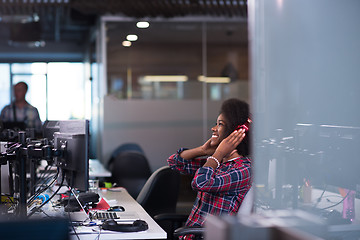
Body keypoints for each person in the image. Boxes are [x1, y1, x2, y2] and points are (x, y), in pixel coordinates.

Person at [167, 98, 252, 232]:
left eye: (220, 124)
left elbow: (200, 183)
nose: (213, 128)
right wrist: (202, 150)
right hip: (190, 234)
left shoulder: (243, 169)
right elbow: (175, 162)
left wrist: (218, 154)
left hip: (205, 236)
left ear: (236, 132)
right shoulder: (218, 163)